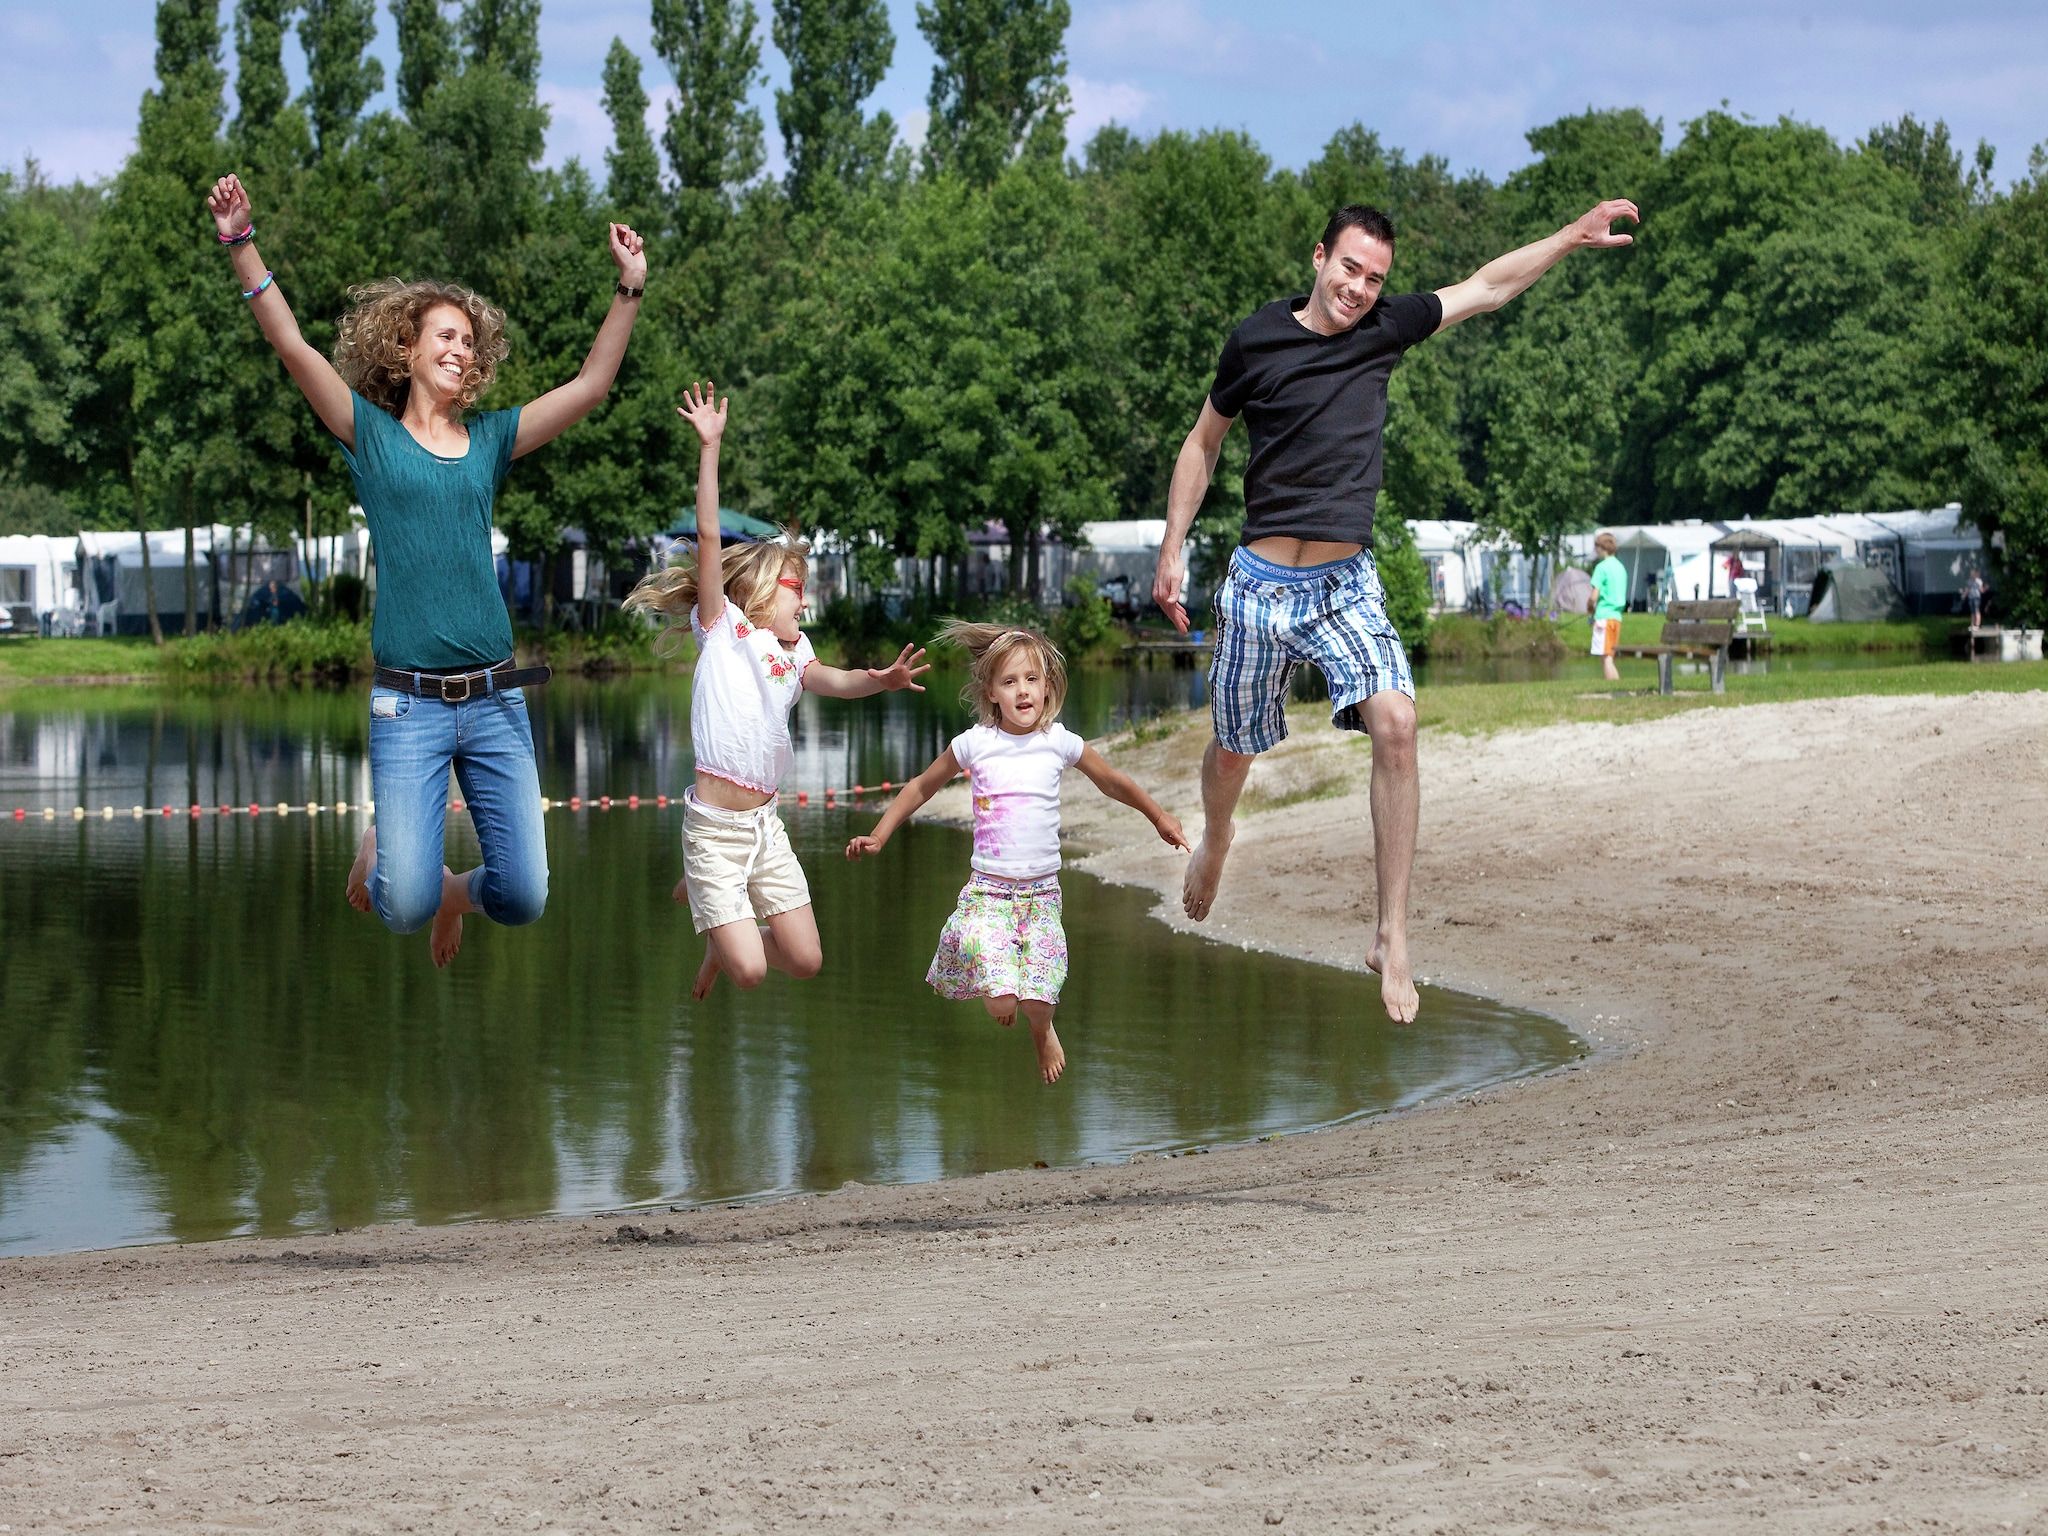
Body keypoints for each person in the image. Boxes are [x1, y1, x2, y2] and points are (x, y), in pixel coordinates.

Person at [1151, 197, 1638, 1023]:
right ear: (1319, 258)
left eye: (1376, 278)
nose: (1360, 289)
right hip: (1260, 588)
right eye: (1350, 269)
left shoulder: (1384, 331)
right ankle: (1219, 838)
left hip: (1347, 585)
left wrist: (1566, 238)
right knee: (1233, 752)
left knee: (1399, 723)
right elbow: (1203, 443)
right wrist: (1172, 546)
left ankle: (1392, 934)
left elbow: (1485, 287)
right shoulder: (1255, 341)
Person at [207, 172, 649, 968]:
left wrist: (628, 288)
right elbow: (290, 343)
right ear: (407, 349)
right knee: (402, 906)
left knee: (522, 896)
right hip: (405, 707)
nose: (459, 349)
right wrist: (242, 243)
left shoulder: (489, 441)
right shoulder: (369, 436)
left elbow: (590, 387)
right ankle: (390, 855)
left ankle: (456, 892)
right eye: (444, 336)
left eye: (469, 342)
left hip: (496, 699)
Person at [624, 382, 930, 999]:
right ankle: (719, 929)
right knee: (753, 971)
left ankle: (724, 919)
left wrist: (881, 680)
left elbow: (835, 682)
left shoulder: (795, 654)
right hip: (713, 827)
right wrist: (709, 448)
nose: (805, 599)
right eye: (798, 586)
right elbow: (709, 536)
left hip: (764, 826)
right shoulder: (722, 628)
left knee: (805, 959)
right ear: (760, 592)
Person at [845, 622, 1188, 1085]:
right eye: (1009, 682)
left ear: (1047, 687)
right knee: (1002, 1001)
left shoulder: (1059, 741)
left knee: (1038, 1000)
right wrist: (880, 834)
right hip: (988, 893)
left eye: (1031, 679)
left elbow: (1112, 781)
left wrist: (1160, 817)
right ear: (991, 692)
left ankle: (1042, 1030)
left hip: (1042, 895)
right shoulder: (976, 744)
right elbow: (922, 787)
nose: (1022, 691)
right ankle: (1018, 1008)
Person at [1589, 531, 1627, 683]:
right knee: (1609, 655)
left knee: (1606, 657)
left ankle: (1613, 687)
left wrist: (1590, 607)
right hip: (1617, 617)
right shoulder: (1620, 567)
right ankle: (1613, 685)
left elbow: (1593, 596)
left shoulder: (1601, 567)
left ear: (1601, 547)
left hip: (1604, 617)